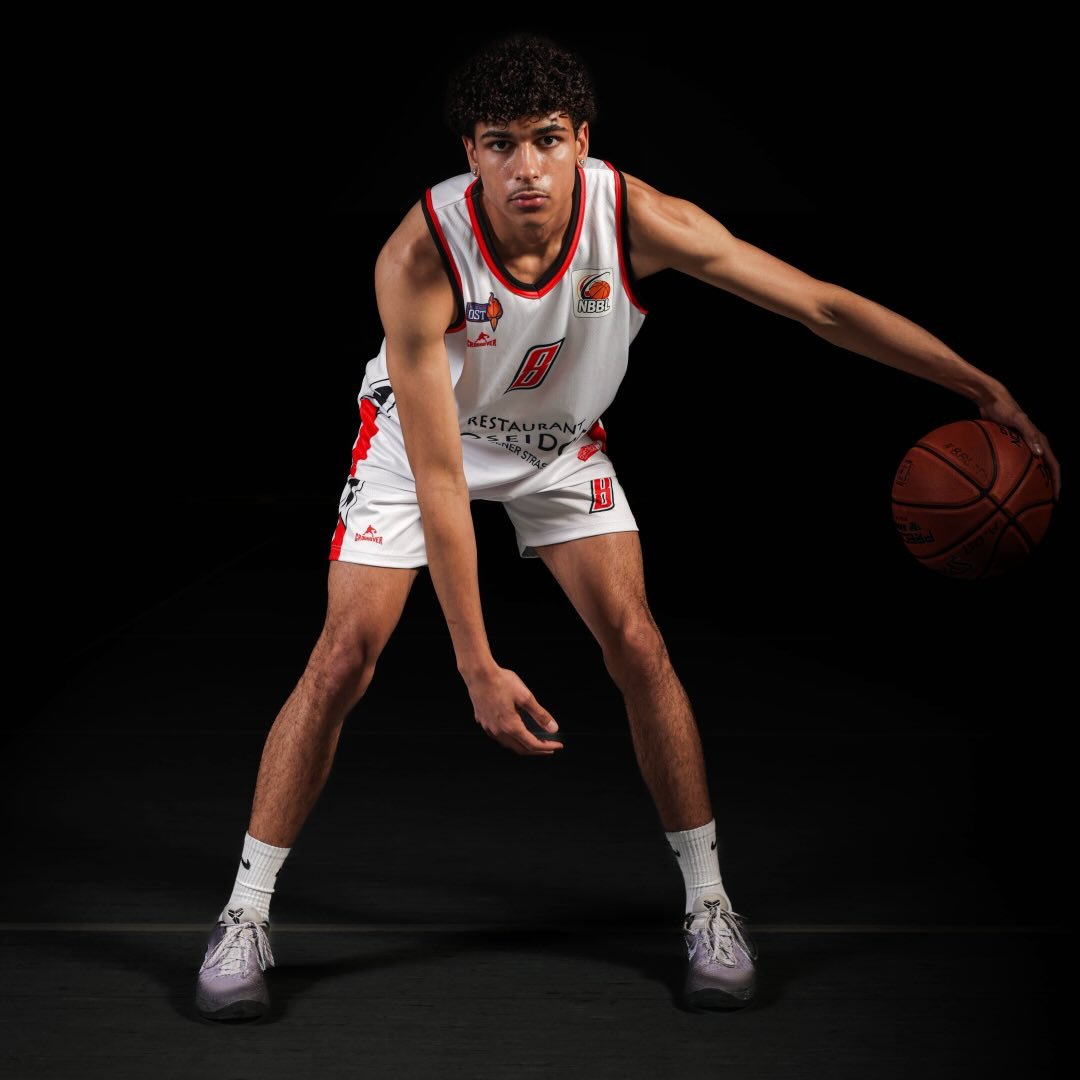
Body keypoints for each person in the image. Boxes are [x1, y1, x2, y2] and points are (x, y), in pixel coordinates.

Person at [194, 33, 1062, 1022]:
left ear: (582, 140)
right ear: (469, 152)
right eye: (500, 143)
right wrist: (478, 666)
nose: (526, 167)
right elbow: (440, 480)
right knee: (345, 654)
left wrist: (980, 386)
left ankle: (710, 902)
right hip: (422, 442)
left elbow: (820, 307)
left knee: (640, 644)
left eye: (547, 139)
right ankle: (245, 912)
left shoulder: (639, 218)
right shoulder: (420, 253)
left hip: (558, 445)